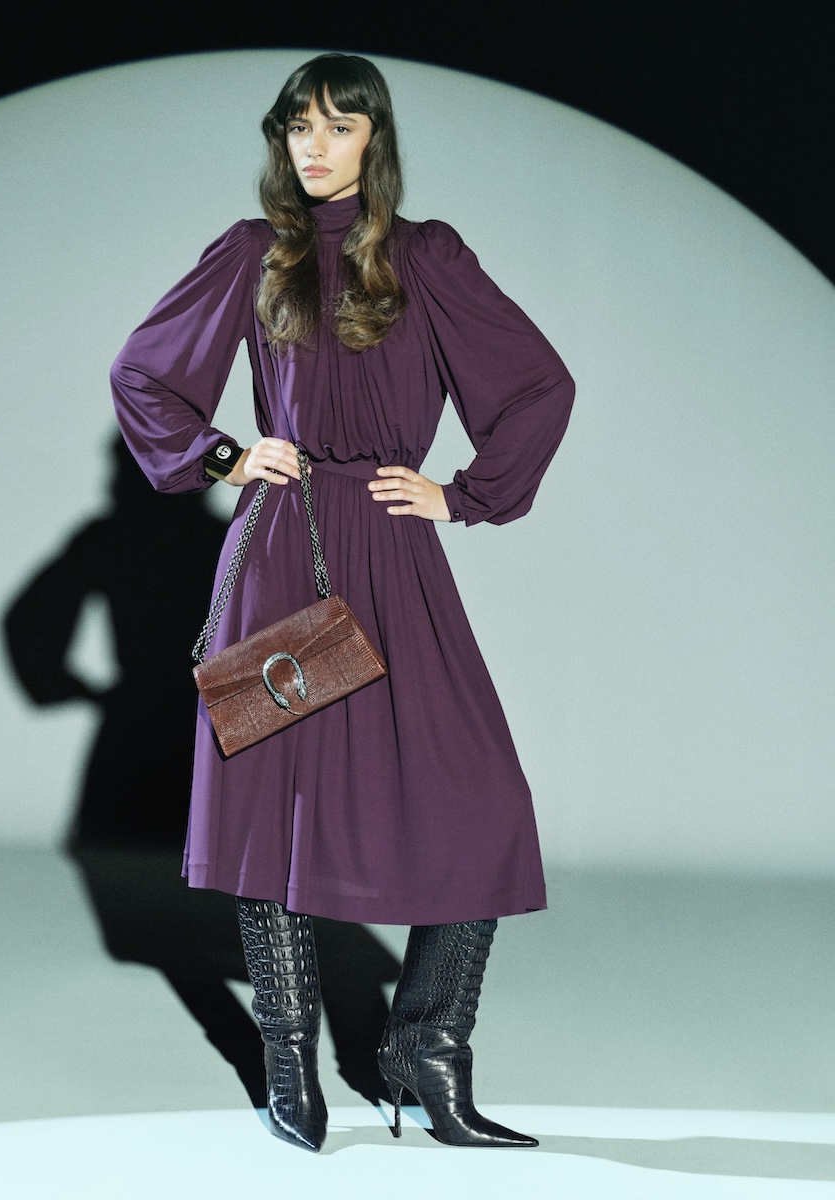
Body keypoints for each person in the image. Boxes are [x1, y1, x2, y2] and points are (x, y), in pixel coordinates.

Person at [111, 53, 574, 1153]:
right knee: (270, 805)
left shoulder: (426, 257)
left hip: (394, 553)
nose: (314, 146)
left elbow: (538, 386)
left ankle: (427, 1052)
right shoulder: (253, 253)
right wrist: (226, 455)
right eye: (298, 126)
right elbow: (144, 375)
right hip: (285, 552)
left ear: (376, 140)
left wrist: (464, 496)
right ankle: (290, 1061)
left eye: (339, 126)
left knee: (482, 801)